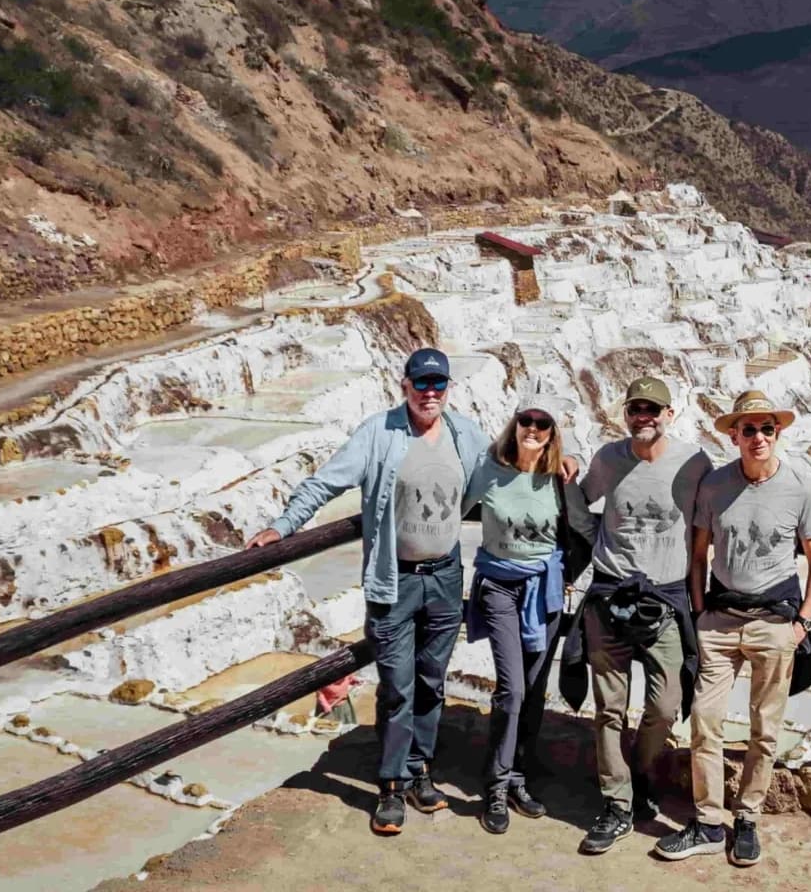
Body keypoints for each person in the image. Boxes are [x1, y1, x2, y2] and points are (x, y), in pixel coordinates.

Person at [246, 348, 578, 836]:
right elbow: (326, 483)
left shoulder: (464, 434)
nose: (429, 393)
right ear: (404, 385)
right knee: (398, 686)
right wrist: (283, 525)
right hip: (394, 579)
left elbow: (510, 466)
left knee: (430, 681)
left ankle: (421, 769)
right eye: (421, 384)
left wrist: (565, 459)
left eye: (437, 385)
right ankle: (391, 785)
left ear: (447, 389)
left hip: (445, 576)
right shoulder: (378, 433)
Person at [655, 389, 811, 868]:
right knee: (705, 722)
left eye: (766, 429)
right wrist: (698, 614)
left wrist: (801, 624)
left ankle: (748, 817)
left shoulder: (799, 488)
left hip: (775, 624)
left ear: (778, 433)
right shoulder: (714, 487)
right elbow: (697, 557)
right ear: (734, 435)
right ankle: (710, 821)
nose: (758, 437)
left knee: (764, 729)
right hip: (720, 622)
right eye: (748, 429)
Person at [564, 376, 713, 855]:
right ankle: (617, 803)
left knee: (666, 705)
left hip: (665, 600)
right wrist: (561, 473)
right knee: (609, 708)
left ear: (670, 414)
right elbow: (580, 502)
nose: (644, 417)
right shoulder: (609, 459)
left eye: (653, 409)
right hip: (609, 596)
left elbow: (710, 522)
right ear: (625, 415)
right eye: (636, 409)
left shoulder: (693, 463)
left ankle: (641, 774)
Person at [461, 390, 596, 834]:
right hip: (499, 586)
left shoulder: (559, 477)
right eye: (527, 422)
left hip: (546, 590)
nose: (533, 430)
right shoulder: (489, 470)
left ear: (553, 432)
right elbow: (452, 508)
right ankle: (497, 783)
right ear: (515, 425)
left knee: (535, 690)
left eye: (543, 424)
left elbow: (580, 527)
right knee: (513, 689)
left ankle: (519, 776)